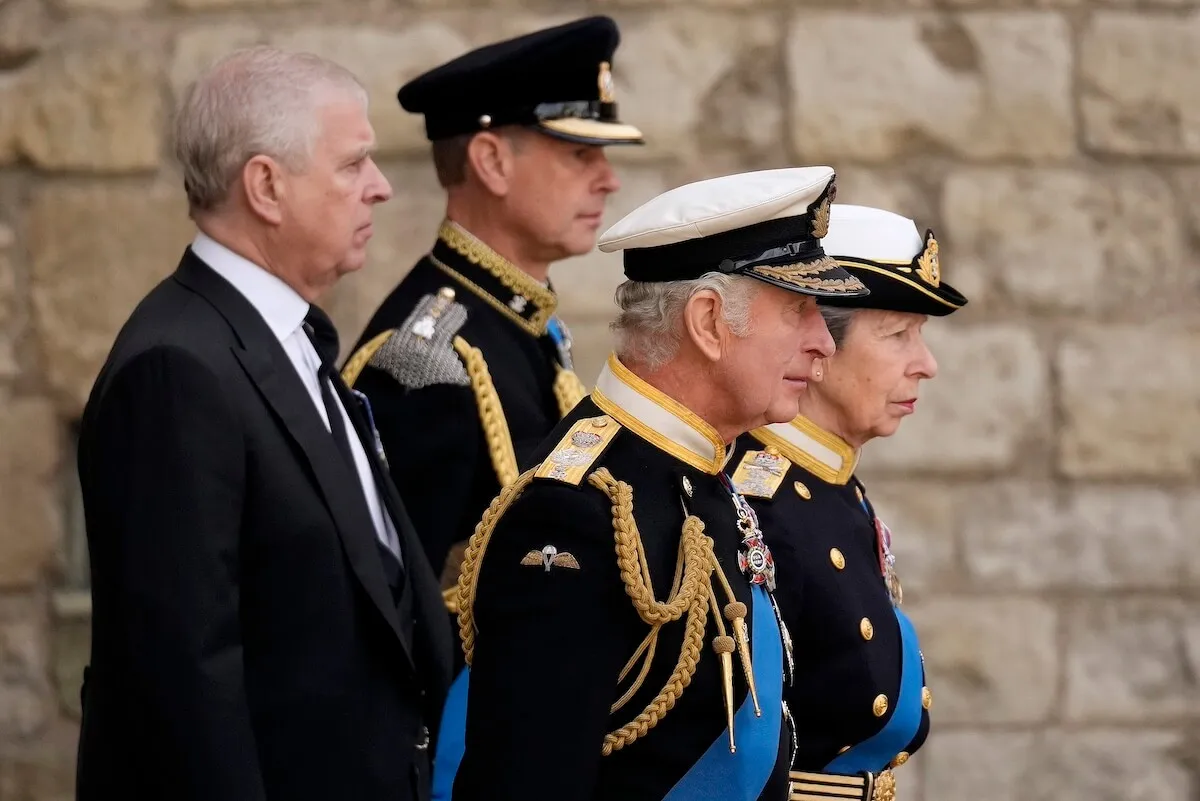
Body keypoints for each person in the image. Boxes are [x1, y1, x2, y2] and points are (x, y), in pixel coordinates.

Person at [74, 47, 453, 801]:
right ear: (266, 186)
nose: (378, 189)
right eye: (352, 165)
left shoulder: (282, 338)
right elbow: (182, 683)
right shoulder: (176, 367)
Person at [449, 167, 871, 801]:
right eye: (798, 310)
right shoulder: (578, 510)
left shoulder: (700, 471)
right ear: (707, 323)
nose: (823, 345)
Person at [341, 15, 644, 612]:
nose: (607, 180)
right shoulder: (425, 362)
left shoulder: (520, 326)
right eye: (580, 154)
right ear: (491, 162)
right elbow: (402, 612)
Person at [727, 203, 968, 800]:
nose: (927, 364)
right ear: (817, 343)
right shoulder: (752, 498)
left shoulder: (835, 482)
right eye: (897, 335)